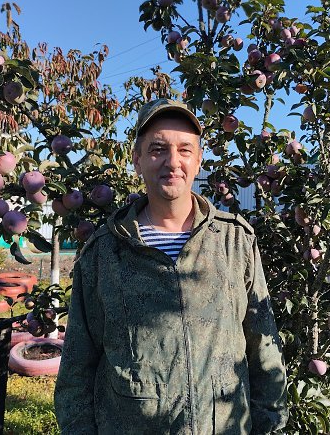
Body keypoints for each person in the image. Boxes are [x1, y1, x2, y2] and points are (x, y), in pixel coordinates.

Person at [54, 99, 288, 434]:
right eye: (158, 149)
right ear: (137, 159)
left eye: (184, 150)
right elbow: (76, 368)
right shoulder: (103, 253)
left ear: (199, 159)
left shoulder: (235, 242)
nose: (173, 161)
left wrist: (270, 426)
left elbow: (264, 349)